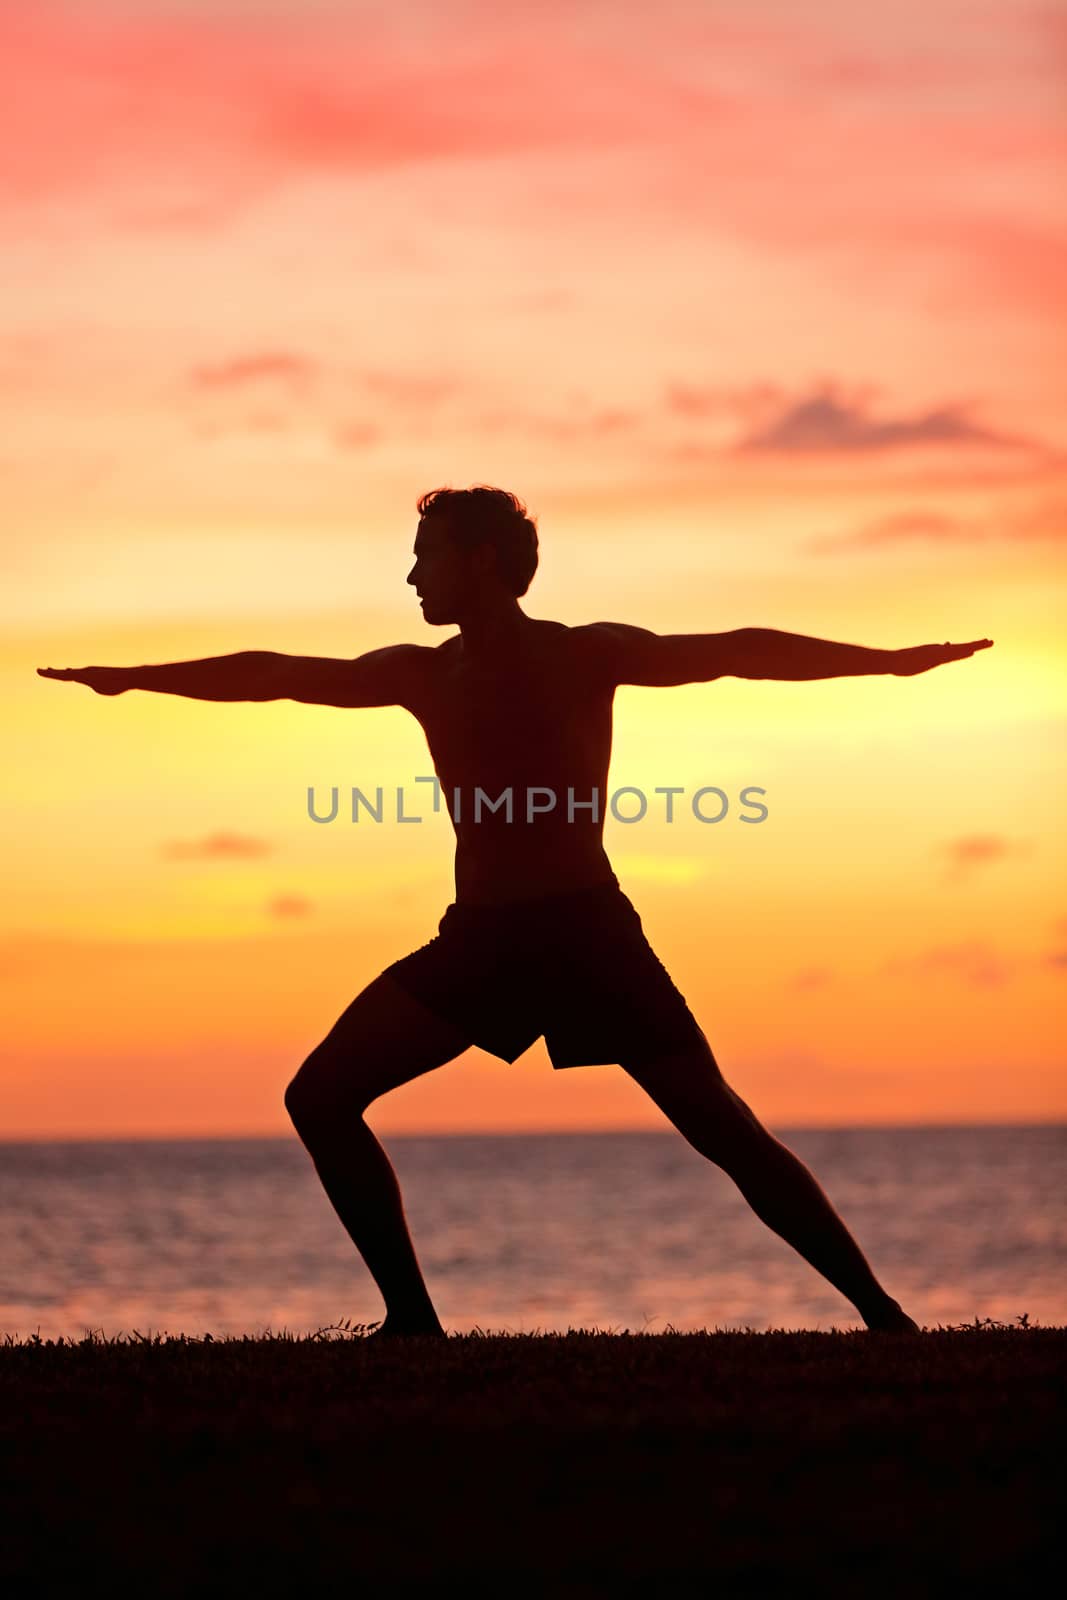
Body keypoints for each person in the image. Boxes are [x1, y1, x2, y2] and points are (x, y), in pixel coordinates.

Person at [38, 484, 994, 1340]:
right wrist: (134, 677)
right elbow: (274, 670)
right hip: (482, 943)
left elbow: (736, 653)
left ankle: (883, 1317)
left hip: (588, 933)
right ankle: (411, 1323)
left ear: (481, 561)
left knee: (723, 1131)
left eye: (427, 556)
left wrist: (893, 662)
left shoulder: (587, 655)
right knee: (320, 1097)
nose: (412, 577)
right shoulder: (419, 674)